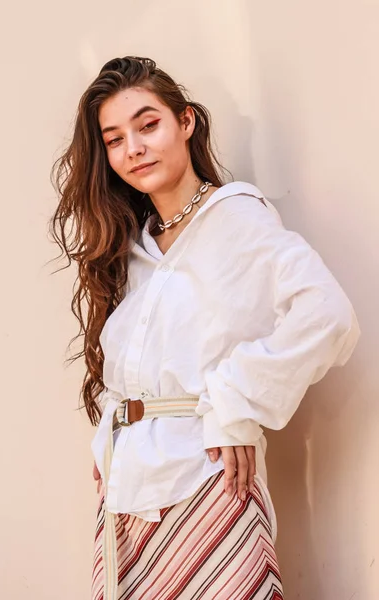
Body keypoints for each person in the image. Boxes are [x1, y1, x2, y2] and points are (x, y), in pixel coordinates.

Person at [51, 56, 360, 599]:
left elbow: (327, 315)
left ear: (186, 122)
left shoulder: (236, 217)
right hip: (129, 497)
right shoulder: (132, 248)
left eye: (148, 125)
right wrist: (108, 444)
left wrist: (236, 405)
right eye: (115, 139)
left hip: (209, 481)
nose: (134, 148)